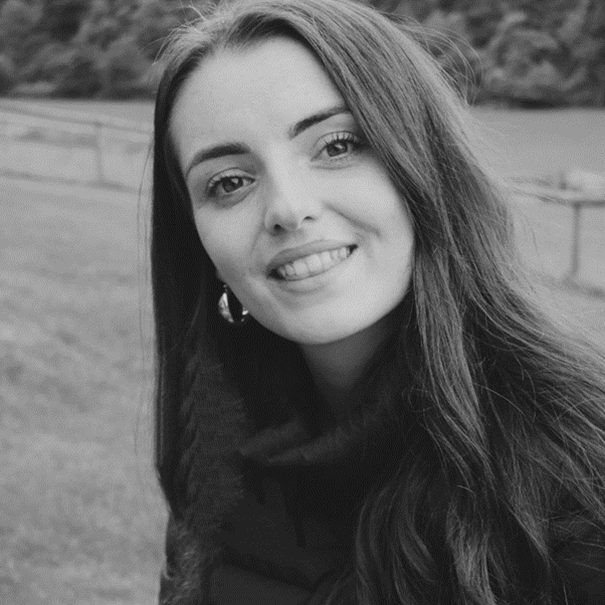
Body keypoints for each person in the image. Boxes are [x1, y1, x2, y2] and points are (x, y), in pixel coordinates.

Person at [150, 0, 605, 603]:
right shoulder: (214, 455)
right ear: (199, 244)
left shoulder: (580, 473)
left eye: (337, 145)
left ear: (424, 163)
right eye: (229, 182)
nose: (288, 208)